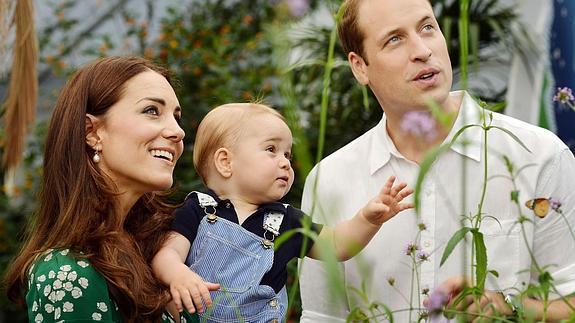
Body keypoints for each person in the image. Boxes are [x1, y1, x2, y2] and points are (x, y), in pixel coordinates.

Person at [298, 0, 575, 321]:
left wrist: (511, 310)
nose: (422, 50)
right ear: (360, 66)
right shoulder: (330, 179)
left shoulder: (538, 156)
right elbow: (323, 316)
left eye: (427, 28)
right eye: (394, 39)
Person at [151, 103, 414, 322]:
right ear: (225, 162)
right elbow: (167, 254)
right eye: (271, 149)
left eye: (287, 154)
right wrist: (178, 274)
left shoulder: (286, 220)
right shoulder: (198, 208)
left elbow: (336, 245)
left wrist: (367, 219)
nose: (285, 162)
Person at [3, 56, 196, 322]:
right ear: (91, 132)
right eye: (152, 110)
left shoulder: (165, 254)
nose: (177, 132)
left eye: (177, 117)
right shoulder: (67, 272)